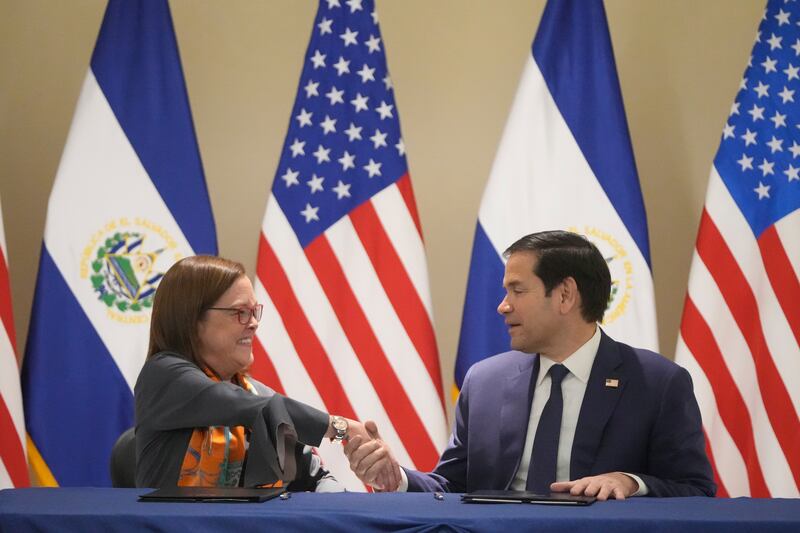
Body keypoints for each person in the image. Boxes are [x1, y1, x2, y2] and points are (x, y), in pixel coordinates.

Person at [346, 231, 716, 499]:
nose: (503, 306)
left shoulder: (657, 384)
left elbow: (695, 491)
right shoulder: (485, 381)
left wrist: (632, 482)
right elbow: (454, 487)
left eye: (517, 291)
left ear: (565, 295)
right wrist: (396, 478)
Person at [134, 255, 396, 491]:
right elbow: (249, 407)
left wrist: (361, 500)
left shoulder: (257, 394)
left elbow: (314, 478)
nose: (254, 324)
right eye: (240, 313)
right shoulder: (162, 376)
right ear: (191, 319)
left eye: (254, 312)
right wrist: (341, 428)